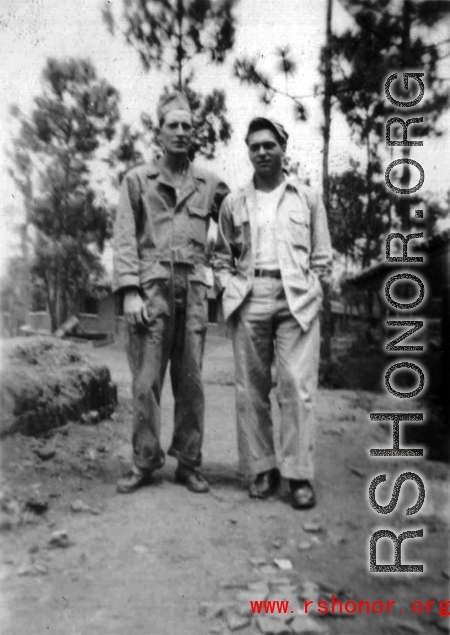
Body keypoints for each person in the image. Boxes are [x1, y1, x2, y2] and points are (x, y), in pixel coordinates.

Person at [213, 117, 332, 509]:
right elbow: (220, 257)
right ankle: (263, 469)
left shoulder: (307, 198)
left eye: (269, 145)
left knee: (297, 387)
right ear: (248, 151)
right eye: (254, 146)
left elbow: (322, 256)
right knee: (251, 390)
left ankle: (298, 475)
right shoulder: (234, 202)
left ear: (283, 148)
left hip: (296, 297)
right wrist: (230, 288)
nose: (262, 152)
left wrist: (314, 289)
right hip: (250, 295)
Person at [113, 91, 229, 494]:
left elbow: (237, 227)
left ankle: (189, 462)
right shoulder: (137, 181)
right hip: (152, 289)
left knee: (191, 382)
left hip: (195, 291)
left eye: (186, 126)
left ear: (193, 133)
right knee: (145, 382)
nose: (180, 132)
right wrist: (130, 291)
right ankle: (144, 461)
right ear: (158, 133)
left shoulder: (210, 184)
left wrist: (225, 271)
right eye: (172, 125)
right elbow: (125, 237)